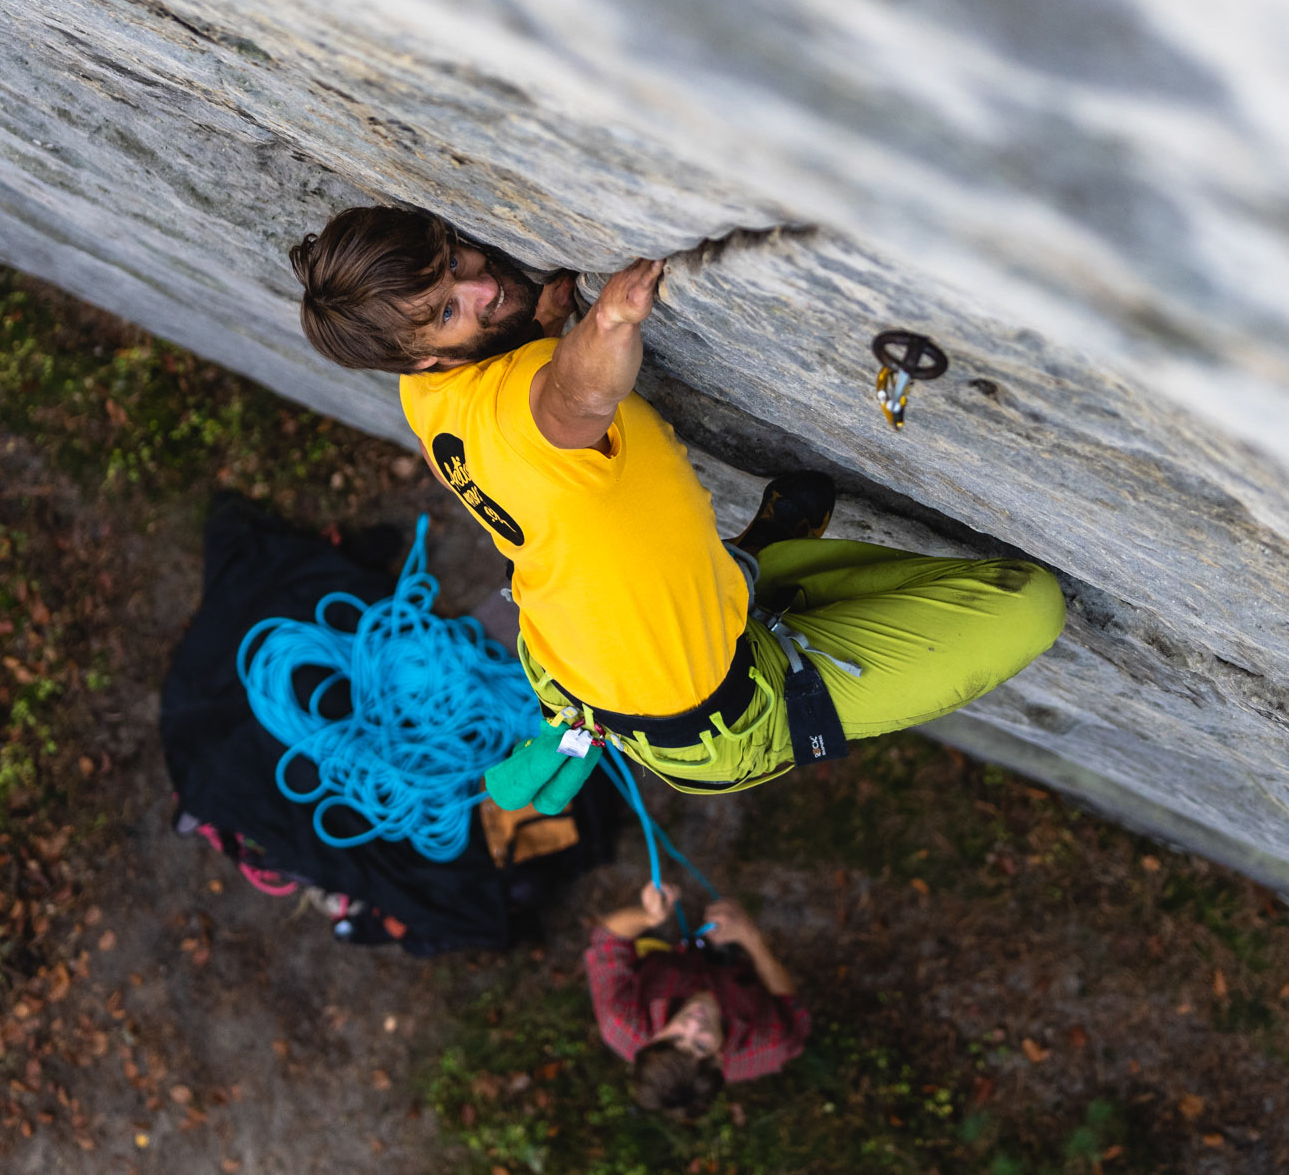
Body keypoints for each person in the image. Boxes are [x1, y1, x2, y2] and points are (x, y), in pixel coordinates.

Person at [289, 206, 1067, 798]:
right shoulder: (533, 410)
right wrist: (608, 324)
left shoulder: (425, 393)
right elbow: (571, 398)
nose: (483, 283)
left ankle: (755, 569)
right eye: (453, 307)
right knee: (1029, 605)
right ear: (430, 352)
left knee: (741, 582)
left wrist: (542, 325)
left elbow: (522, 395)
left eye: (456, 261)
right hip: (717, 717)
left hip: (584, 662)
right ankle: (761, 579)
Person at [584, 881, 810, 1114]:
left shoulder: (620, 1017)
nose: (693, 1024)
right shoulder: (769, 1043)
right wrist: (749, 937)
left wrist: (647, 917)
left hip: (669, 960)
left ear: (653, 1040)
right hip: (739, 974)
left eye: (675, 1039)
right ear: (720, 1061)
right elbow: (790, 1006)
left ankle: (674, 938)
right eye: (701, 1045)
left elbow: (607, 940)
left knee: (648, 937)